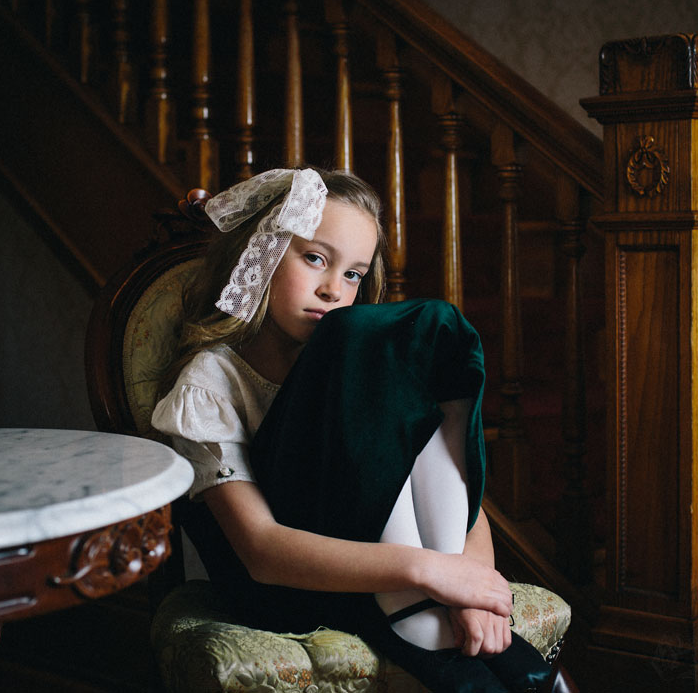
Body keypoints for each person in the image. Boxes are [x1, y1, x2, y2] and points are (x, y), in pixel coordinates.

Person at [151, 167, 555, 692]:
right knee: (364, 346)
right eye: (315, 258)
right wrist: (427, 572)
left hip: (390, 569)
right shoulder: (210, 381)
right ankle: (430, 629)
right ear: (265, 252)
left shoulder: (352, 369)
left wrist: (472, 586)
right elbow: (263, 551)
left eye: (353, 275)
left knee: (431, 330)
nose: (332, 290)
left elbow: (448, 486)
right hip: (282, 588)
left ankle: (440, 632)